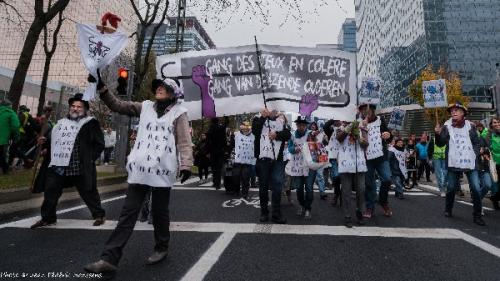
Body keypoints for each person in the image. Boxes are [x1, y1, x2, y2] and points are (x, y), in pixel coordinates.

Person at [84, 71, 193, 277]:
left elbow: (184, 142)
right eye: (159, 86)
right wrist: (102, 87)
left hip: (162, 171)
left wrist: (186, 165)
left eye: (166, 87)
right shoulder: (144, 107)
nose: (160, 88)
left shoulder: (180, 113)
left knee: (160, 213)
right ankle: (109, 259)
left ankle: (162, 247)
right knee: (128, 213)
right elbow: (117, 105)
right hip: (141, 170)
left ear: (174, 94)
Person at [30, 93, 106, 229]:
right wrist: (44, 142)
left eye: (79, 106)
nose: (75, 109)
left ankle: (98, 215)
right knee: (50, 191)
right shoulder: (60, 124)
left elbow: (99, 143)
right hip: (59, 165)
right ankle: (48, 218)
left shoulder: (90, 123)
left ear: (85, 109)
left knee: (88, 191)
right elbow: (52, 141)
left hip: (79, 165)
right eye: (73, 106)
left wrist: (90, 159)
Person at [435, 102, 485, 226]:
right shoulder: (447, 126)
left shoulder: (470, 126)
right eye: (452, 111)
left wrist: (474, 153)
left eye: (457, 110)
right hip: (454, 162)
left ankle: (477, 215)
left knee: (476, 188)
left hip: (469, 162)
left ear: (463, 113)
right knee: (451, 188)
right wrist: (437, 133)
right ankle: (448, 208)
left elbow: (476, 142)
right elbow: (440, 144)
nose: (454, 112)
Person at [252, 108, 291, 224]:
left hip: (277, 160)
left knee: (278, 185)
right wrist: (263, 117)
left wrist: (277, 134)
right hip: (263, 159)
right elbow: (255, 130)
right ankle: (264, 212)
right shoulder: (257, 118)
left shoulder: (281, 120)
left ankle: (276, 213)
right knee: (263, 186)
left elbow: (288, 134)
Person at [359, 103, 393, 218]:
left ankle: (383, 201)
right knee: (369, 184)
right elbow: (360, 142)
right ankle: (370, 207)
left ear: (373, 111)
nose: (366, 112)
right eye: (364, 110)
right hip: (367, 158)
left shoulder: (380, 120)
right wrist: (362, 130)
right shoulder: (360, 124)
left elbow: (389, 136)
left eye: (368, 110)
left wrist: (388, 135)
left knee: (387, 179)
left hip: (381, 156)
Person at [336, 120, 368, 227]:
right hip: (346, 164)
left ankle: (359, 211)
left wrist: (358, 136)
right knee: (346, 191)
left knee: (361, 189)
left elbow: (365, 144)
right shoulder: (340, 128)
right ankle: (347, 215)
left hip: (359, 163)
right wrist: (348, 128)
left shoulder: (362, 128)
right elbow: (339, 139)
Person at [286, 116, 314, 219]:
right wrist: (295, 149)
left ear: (306, 125)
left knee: (309, 188)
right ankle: (302, 205)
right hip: (297, 165)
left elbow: (316, 145)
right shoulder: (293, 135)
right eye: (299, 125)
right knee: (299, 188)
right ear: (297, 125)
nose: (301, 127)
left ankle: (308, 208)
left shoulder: (310, 134)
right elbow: (289, 148)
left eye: (303, 125)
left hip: (309, 165)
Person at [230, 121, 256, 199]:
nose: (245, 130)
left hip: (247, 161)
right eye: (244, 128)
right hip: (238, 160)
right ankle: (236, 191)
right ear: (241, 128)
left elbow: (255, 147)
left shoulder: (253, 136)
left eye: (247, 129)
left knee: (246, 178)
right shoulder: (236, 135)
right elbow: (231, 144)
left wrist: (254, 159)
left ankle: (245, 193)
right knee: (236, 176)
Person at [323, 118, 342, 205]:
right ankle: (336, 195)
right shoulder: (331, 131)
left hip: (345, 157)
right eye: (337, 120)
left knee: (345, 179)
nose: (339, 121)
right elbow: (325, 126)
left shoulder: (346, 128)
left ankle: (342, 196)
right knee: (336, 176)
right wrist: (333, 120)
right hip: (334, 157)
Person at [0, 97, 20, 175]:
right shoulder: (11, 113)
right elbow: (15, 126)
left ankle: (5, 169)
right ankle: (5, 170)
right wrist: (16, 136)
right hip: (3, 139)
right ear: (9, 105)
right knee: (2, 155)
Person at [206, 117, 227, 189]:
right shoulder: (221, 128)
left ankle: (215, 182)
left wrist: (207, 151)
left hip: (212, 151)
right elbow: (224, 139)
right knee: (219, 167)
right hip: (221, 150)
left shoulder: (210, 130)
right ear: (218, 121)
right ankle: (218, 183)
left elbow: (207, 142)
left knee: (214, 167)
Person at [486, 116, 500, 209]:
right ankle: (495, 201)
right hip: (494, 164)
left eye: (498, 122)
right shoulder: (489, 134)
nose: (497, 124)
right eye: (495, 122)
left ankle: (494, 198)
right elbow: (486, 147)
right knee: (496, 185)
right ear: (491, 124)